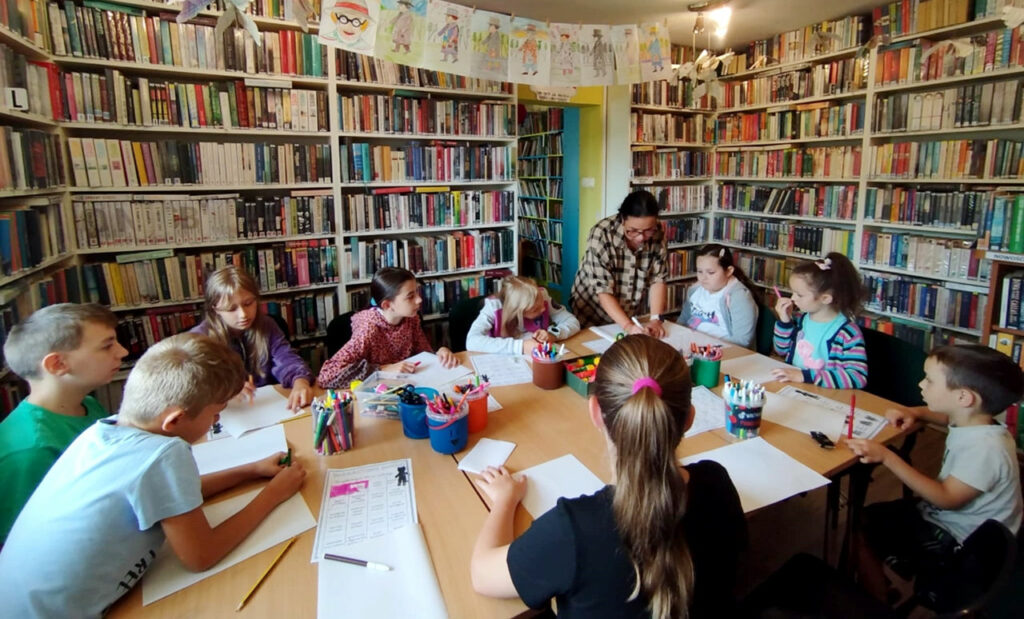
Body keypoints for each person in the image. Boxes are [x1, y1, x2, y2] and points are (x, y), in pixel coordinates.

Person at [0, 333, 307, 616]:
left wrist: (249, 471)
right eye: (215, 413)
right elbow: (201, 556)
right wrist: (273, 495)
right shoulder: (163, 454)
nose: (216, 420)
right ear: (174, 421)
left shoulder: (104, 430)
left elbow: (171, 496)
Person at [470, 335, 746, 618]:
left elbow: (482, 574)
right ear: (689, 418)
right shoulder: (717, 482)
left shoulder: (573, 530)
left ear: (595, 412)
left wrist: (504, 499)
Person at [847, 345, 1024, 602]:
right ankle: (879, 584)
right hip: (958, 521)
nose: (921, 384)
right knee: (864, 518)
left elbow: (946, 498)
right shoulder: (976, 420)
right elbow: (945, 418)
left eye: (929, 380)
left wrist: (887, 456)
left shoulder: (986, 448)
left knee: (861, 530)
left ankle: (877, 605)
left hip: (963, 543)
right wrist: (915, 412)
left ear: (964, 398)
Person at [0, 303, 127, 544]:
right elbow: (23, 544)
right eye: (107, 345)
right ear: (57, 364)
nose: (122, 352)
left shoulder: (86, 405)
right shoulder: (30, 452)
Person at [191, 265, 314, 411]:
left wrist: (300, 381)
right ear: (216, 309)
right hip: (226, 413)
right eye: (232, 309)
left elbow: (286, 359)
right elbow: (193, 386)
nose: (243, 314)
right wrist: (223, 392)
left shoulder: (267, 325)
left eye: (248, 303)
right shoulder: (199, 339)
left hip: (267, 406)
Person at [317, 267, 458, 388]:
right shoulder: (368, 329)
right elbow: (327, 375)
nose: (419, 299)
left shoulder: (411, 318)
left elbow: (423, 353)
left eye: (417, 292)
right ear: (387, 305)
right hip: (377, 394)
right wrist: (383, 370)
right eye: (410, 296)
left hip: (407, 385)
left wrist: (439, 352)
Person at [570, 190, 669, 338]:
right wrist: (628, 326)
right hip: (591, 310)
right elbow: (603, 290)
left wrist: (655, 319)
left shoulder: (658, 233)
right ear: (622, 219)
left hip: (628, 310)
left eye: (648, 230)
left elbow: (658, 278)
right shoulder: (601, 234)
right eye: (633, 231)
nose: (641, 238)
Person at [771, 252, 867, 389]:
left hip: (826, 396)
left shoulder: (847, 333)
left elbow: (858, 377)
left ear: (825, 299)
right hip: (795, 388)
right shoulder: (801, 320)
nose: (793, 298)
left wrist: (805, 376)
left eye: (800, 295)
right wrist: (785, 322)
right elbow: (780, 350)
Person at [466, 275, 580, 355]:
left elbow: (572, 321)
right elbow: (472, 341)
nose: (544, 308)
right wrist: (521, 346)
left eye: (541, 304)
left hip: (536, 361)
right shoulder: (493, 308)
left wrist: (553, 334)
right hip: (502, 362)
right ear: (518, 311)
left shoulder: (542, 296)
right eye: (535, 309)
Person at [678, 244, 760, 348]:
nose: (703, 278)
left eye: (711, 272)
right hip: (691, 346)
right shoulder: (695, 290)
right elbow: (682, 322)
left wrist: (705, 348)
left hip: (721, 352)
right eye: (699, 271)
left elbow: (742, 341)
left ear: (729, 271)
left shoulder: (739, 297)